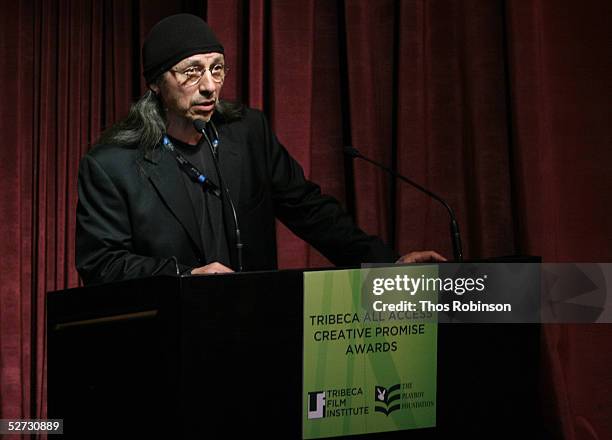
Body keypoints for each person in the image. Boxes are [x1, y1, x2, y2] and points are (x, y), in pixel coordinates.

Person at [75, 13, 443, 285]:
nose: (208, 86)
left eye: (217, 69)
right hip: (170, 333)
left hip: (254, 324)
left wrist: (387, 262)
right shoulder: (113, 165)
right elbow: (100, 264)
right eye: (191, 71)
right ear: (156, 83)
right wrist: (184, 275)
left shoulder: (247, 134)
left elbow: (309, 210)